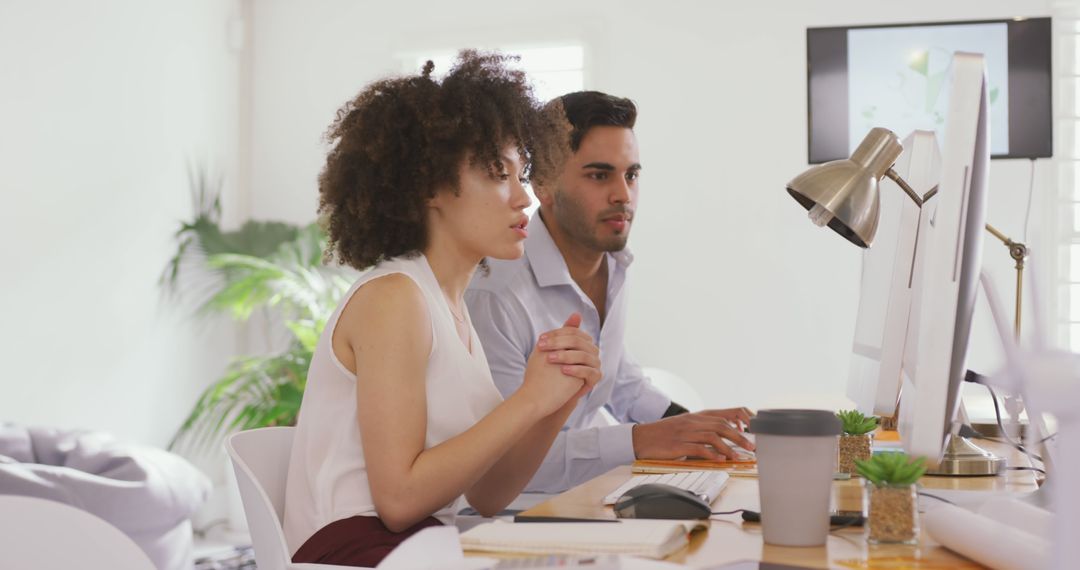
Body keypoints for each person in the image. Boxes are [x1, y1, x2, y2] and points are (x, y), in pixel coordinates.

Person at [282, 52, 603, 567]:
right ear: (429, 186)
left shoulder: (449, 306)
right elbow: (399, 501)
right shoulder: (394, 298)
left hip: (421, 545)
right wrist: (525, 402)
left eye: (524, 176)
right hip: (357, 552)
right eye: (500, 174)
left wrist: (554, 399)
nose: (525, 198)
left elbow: (489, 494)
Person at [466, 91, 754, 494]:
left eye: (631, 174)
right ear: (544, 185)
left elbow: (621, 381)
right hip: (515, 514)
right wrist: (641, 440)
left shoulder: (613, 264)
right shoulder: (495, 294)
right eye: (600, 175)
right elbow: (505, 463)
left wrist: (704, 428)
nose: (623, 195)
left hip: (585, 495)